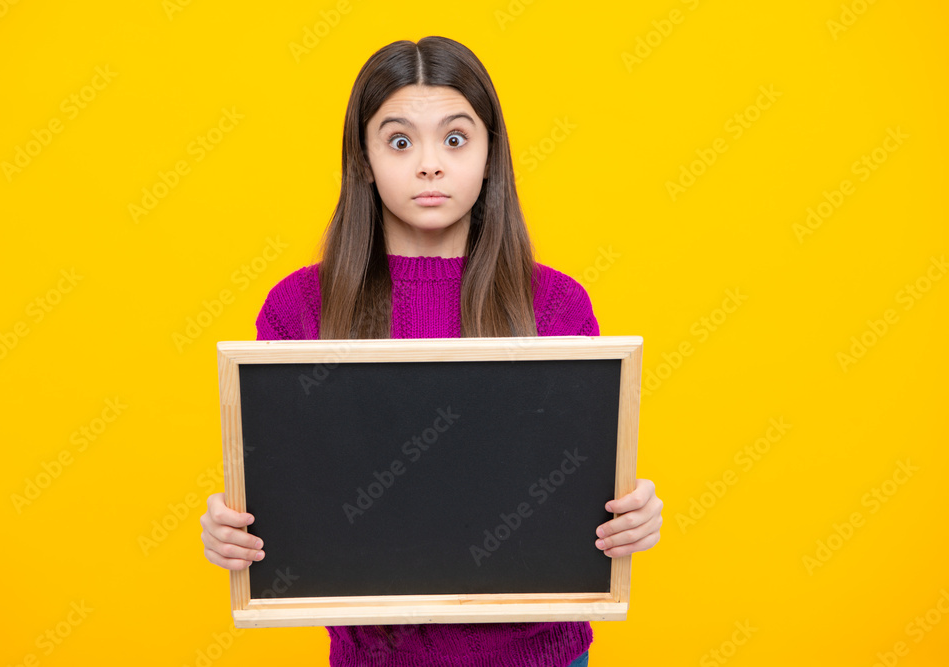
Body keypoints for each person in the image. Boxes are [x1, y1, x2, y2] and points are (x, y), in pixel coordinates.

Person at [200, 35, 663, 667]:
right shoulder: (298, 309)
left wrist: (632, 515)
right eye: (399, 140)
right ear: (362, 159)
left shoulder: (555, 306)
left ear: (489, 155)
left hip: (540, 657)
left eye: (454, 139)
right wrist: (233, 530)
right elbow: (286, 491)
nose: (429, 165)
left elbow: (580, 487)